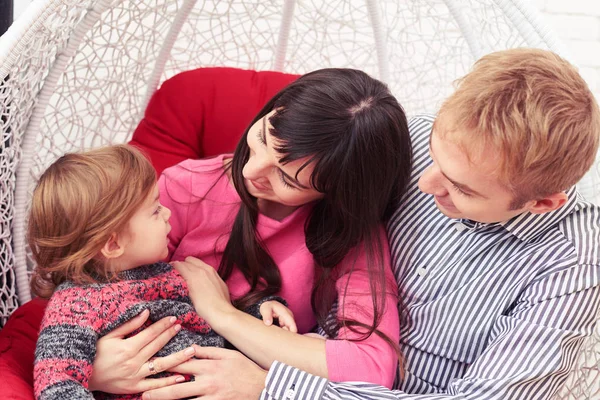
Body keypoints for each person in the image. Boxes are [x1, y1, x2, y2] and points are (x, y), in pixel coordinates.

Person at [87, 48, 600, 400]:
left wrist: (270, 385)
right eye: (434, 156)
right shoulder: (408, 142)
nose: (423, 185)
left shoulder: (571, 268)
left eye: (461, 189)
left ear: (543, 203)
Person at [85, 67, 414, 396]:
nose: (250, 170)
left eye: (287, 179)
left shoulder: (351, 235)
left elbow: (371, 369)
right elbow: (99, 297)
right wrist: (92, 370)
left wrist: (221, 312)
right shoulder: (186, 187)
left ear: (336, 193)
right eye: (262, 139)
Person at [29, 145, 296, 400]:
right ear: (113, 244)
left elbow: (219, 316)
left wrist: (262, 308)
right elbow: (56, 383)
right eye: (155, 210)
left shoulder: (172, 274)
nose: (168, 213)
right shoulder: (75, 305)